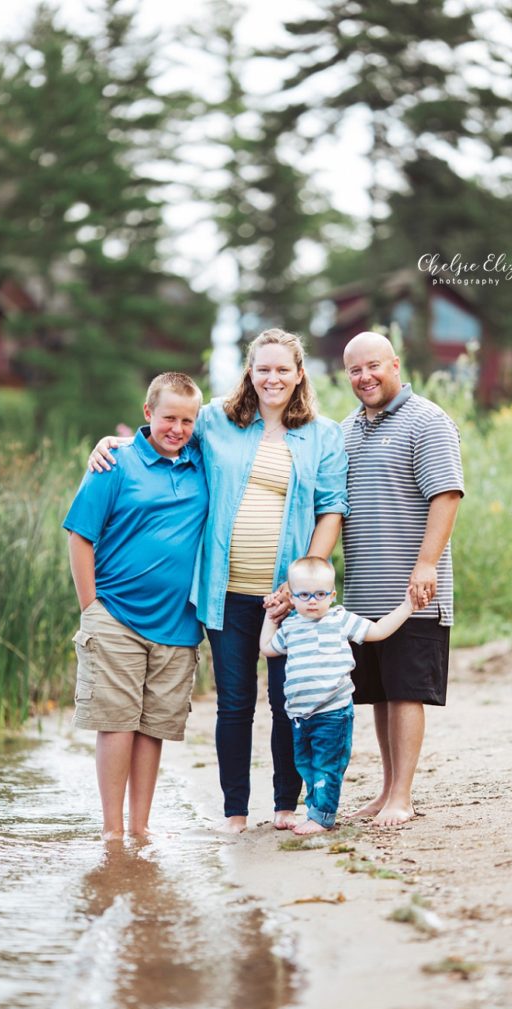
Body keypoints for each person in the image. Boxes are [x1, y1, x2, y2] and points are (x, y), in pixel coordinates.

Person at [89, 329, 349, 834]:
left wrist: (303, 580)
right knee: (234, 703)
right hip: (224, 592)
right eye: (263, 368)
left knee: (287, 702)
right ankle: (234, 811)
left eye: (283, 369)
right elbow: (168, 435)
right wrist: (114, 443)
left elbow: (331, 510)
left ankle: (285, 806)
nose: (272, 378)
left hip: (287, 601)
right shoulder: (215, 421)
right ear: (249, 372)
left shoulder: (323, 434)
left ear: (299, 375)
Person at [64, 372, 208, 840]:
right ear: (148, 414)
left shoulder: (202, 463)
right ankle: (111, 834)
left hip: (177, 625)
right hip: (116, 618)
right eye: (169, 418)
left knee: (153, 730)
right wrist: (92, 609)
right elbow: (80, 536)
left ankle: (140, 828)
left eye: (188, 420)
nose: (178, 429)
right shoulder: (115, 463)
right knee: (117, 724)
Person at [340, 331, 464, 827]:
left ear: (395, 364)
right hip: (362, 593)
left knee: (407, 690)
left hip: (414, 591)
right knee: (378, 692)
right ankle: (387, 788)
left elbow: (446, 495)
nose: (365, 377)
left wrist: (427, 563)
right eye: (354, 370)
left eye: (373, 366)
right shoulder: (346, 429)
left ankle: (403, 797)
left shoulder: (428, 420)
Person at [259, 556, 426, 835]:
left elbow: (378, 630)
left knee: (327, 766)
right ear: (293, 596)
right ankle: (315, 810)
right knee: (306, 766)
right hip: (300, 715)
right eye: (304, 595)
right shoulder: (291, 626)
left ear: (332, 595)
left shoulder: (339, 619)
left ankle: (323, 817)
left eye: (320, 594)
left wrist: (407, 606)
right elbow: (267, 647)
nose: (312, 601)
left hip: (333, 713)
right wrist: (269, 617)